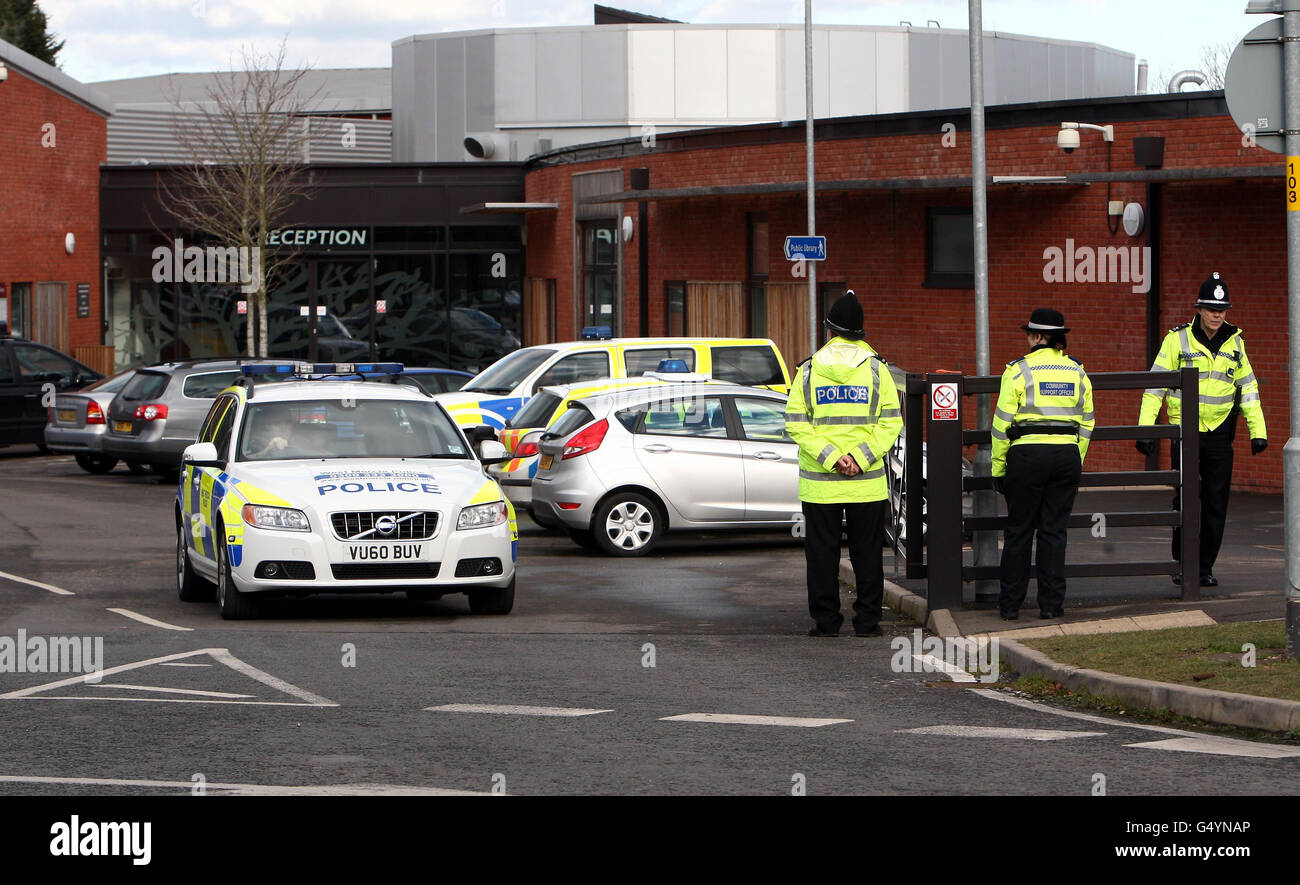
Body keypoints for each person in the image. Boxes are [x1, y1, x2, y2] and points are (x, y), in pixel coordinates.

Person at [785, 290, 903, 637]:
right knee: (867, 554)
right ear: (860, 332)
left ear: (829, 330)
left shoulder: (807, 371)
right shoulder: (879, 371)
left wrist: (833, 459)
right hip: (866, 484)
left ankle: (826, 622)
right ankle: (867, 622)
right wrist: (860, 459)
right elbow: (891, 422)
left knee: (822, 555)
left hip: (820, 485)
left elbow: (796, 423)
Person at [1137, 272, 1266, 587]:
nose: (1217, 315)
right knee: (1185, 500)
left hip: (1221, 433)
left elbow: (1248, 388)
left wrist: (1257, 430)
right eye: (1211, 308)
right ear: (1199, 308)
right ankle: (1184, 563)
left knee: (1215, 503)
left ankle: (1204, 567)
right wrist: (1146, 429)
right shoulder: (1176, 340)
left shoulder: (1236, 341)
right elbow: (1155, 388)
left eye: (1222, 309)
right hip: (1185, 432)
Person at [991, 308, 1094, 621]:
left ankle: (1010, 607)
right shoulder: (1077, 372)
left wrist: (998, 468)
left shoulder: (1018, 371)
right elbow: (1087, 423)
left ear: (1036, 336)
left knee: (1019, 532)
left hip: (1027, 457)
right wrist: (1077, 456)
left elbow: (1001, 426)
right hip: (1065, 457)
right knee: (1054, 533)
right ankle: (1051, 606)